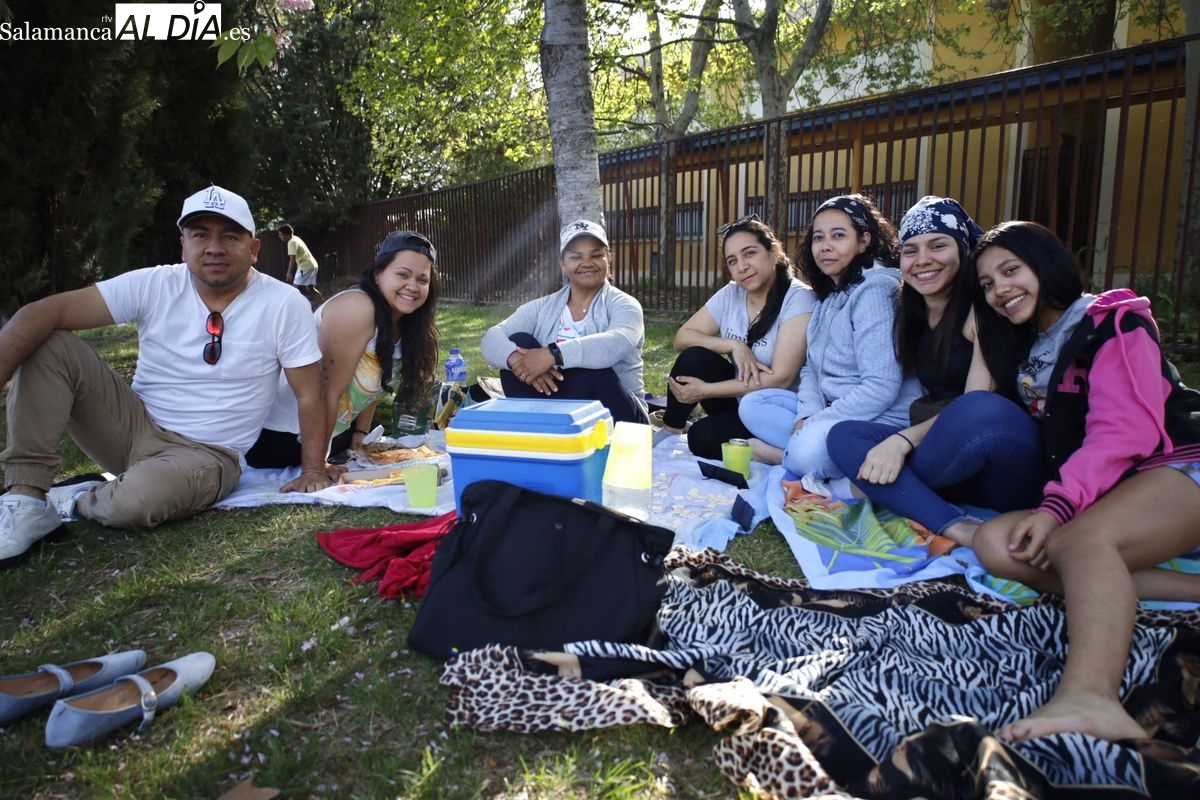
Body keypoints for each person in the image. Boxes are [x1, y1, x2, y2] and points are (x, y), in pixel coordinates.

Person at [0, 185, 335, 564]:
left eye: (230, 236)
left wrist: (313, 469)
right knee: (47, 341)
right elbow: (41, 313)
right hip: (131, 428)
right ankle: (25, 499)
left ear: (253, 249)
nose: (214, 247)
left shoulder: (284, 303)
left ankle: (75, 500)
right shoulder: (154, 283)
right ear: (182, 245)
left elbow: (310, 392)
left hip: (209, 454)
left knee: (133, 504)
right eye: (200, 235)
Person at [966, 220, 1200, 743]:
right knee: (997, 544)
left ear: (1045, 264)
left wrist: (1057, 508)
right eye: (986, 283)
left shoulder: (1111, 322)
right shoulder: (1030, 347)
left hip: (1177, 463)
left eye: (1010, 271)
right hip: (1115, 489)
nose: (999, 290)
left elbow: (1125, 433)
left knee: (1076, 540)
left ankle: (1090, 697)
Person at [826, 197, 1044, 545]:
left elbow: (974, 406)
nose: (923, 260)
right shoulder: (910, 312)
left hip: (1000, 453)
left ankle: (895, 490)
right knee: (842, 436)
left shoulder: (980, 310)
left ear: (962, 250)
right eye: (910, 250)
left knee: (977, 410)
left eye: (938, 246)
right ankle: (954, 526)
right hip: (952, 459)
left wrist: (901, 442)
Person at [738, 194, 921, 494]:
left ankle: (807, 467)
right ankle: (808, 458)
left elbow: (882, 386)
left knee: (807, 450)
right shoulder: (831, 294)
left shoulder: (876, 290)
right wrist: (807, 414)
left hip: (882, 418)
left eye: (838, 236)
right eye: (818, 238)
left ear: (864, 240)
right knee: (753, 405)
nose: (825, 247)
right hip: (833, 410)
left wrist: (816, 422)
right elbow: (810, 367)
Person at [246, 231, 441, 467]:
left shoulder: (404, 323)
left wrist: (360, 437)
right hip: (283, 440)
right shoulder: (357, 308)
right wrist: (317, 467)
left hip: (334, 438)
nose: (412, 286)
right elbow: (325, 392)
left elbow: (375, 382)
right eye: (402, 275)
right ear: (378, 274)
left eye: (422, 280)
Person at [656, 214, 815, 458]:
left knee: (701, 438)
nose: (742, 266)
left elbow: (781, 379)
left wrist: (706, 390)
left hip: (776, 410)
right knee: (694, 358)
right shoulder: (732, 293)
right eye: (732, 261)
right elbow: (682, 337)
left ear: (773, 253)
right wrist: (733, 344)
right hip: (740, 397)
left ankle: (775, 452)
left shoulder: (799, 299)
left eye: (750, 253)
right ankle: (671, 429)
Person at [481, 219, 648, 424]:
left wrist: (553, 355)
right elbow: (491, 338)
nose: (587, 263)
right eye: (576, 257)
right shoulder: (544, 306)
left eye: (596, 255)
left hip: (622, 417)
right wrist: (518, 362)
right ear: (563, 264)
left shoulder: (625, 305)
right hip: (563, 410)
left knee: (594, 372)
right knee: (517, 346)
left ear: (608, 259)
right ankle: (545, 434)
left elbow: (616, 343)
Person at [279, 223, 325, 306]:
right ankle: (323, 304)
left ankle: (295, 308)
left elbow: (292, 258)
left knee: (294, 289)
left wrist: (289, 272)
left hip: (306, 267)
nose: (280, 237)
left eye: (281, 235)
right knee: (310, 288)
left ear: (287, 235)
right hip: (311, 265)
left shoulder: (291, 242)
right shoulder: (296, 238)